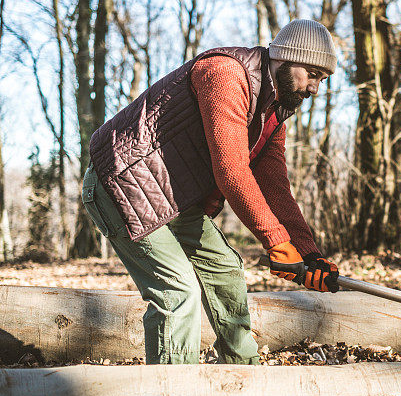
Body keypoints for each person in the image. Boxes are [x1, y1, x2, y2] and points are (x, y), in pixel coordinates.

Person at [81, 19, 339, 364]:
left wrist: (308, 252)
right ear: (286, 56)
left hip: (173, 197)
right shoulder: (224, 74)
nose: (314, 88)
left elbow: (274, 184)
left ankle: (241, 378)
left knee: (226, 270)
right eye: (312, 73)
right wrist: (276, 241)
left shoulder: (273, 108)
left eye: (322, 80)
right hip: (122, 184)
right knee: (177, 290)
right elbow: (232, 171)